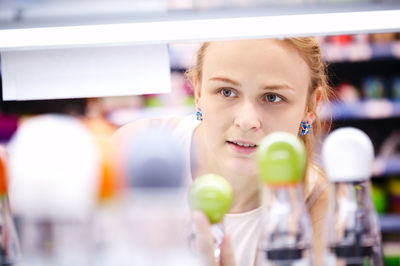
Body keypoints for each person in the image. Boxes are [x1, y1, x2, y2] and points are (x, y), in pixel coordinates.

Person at [112, 37, 332, 266]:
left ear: (310, 107)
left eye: (272, 97)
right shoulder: (135, 152)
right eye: (226, 92)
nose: (247, 121)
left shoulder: (323, 209)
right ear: (198, 92)